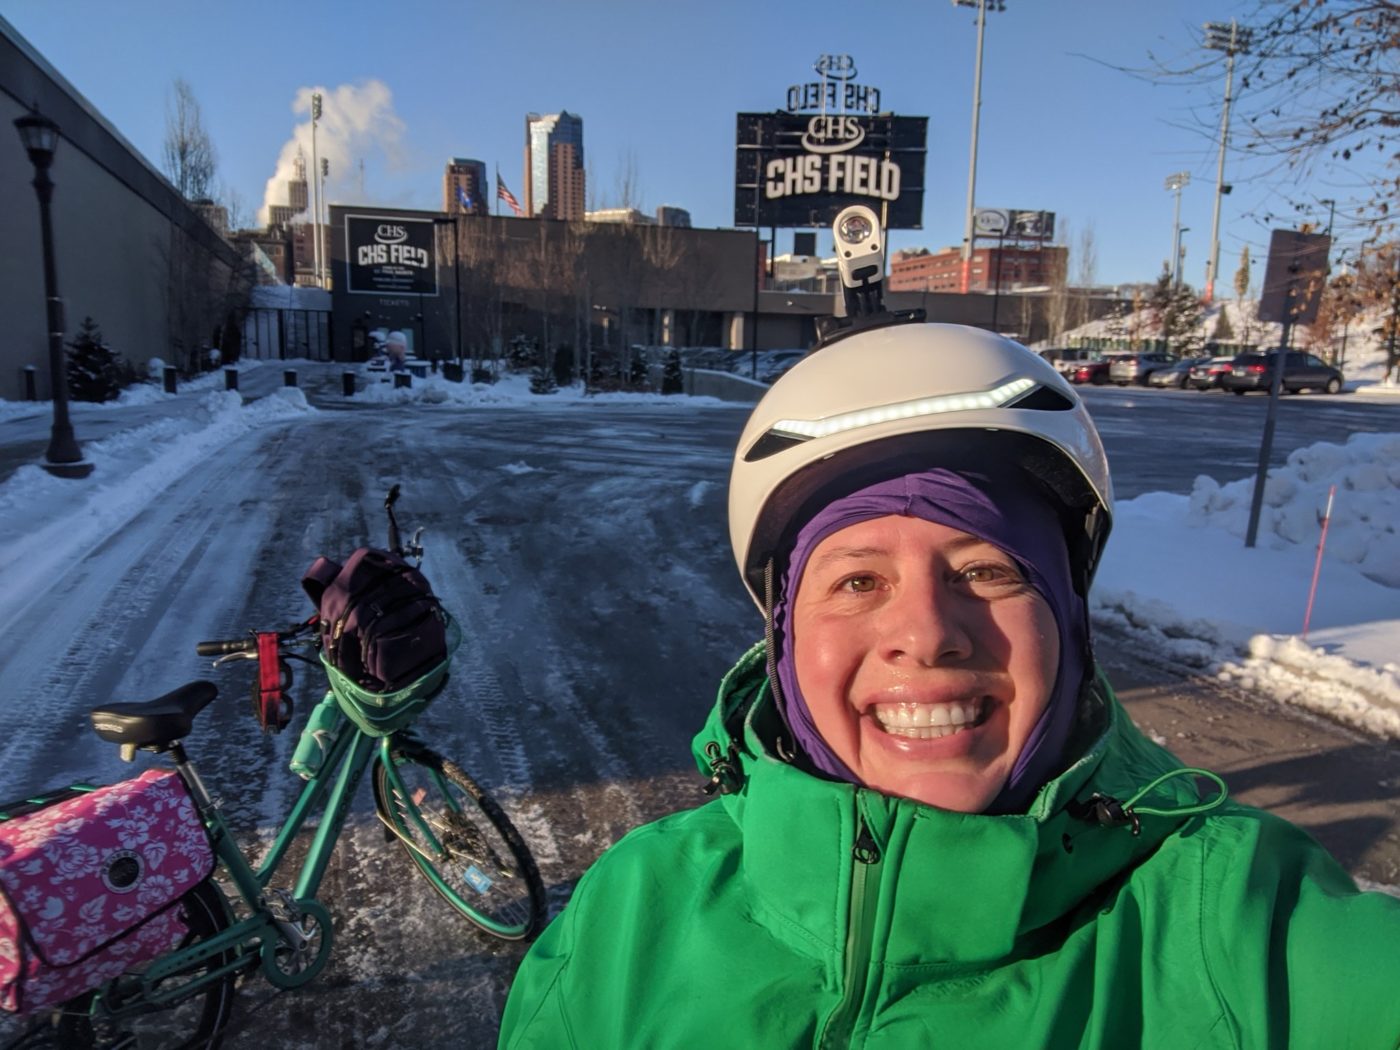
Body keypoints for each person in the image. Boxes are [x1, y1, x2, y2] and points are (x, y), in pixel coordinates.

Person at [498, 266, 1400, 1048]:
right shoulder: (631, 916)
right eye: (856, 582)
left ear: (1070, 623)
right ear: (781, 640)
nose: (928, 633)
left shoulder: (1245, 929)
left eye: (985, 569)